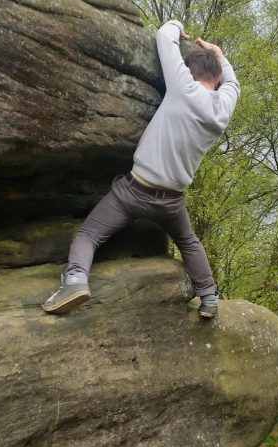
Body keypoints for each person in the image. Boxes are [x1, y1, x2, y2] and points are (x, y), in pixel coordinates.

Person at [42, 19, 240, 319]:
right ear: (216, 77)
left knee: (89, 235)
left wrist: (177, 25)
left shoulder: (183, 87)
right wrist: (220, 54)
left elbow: (164, 36)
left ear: (190, 71)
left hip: (134, 191)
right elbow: (234, 84)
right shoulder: (223, 108)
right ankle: (209, 298)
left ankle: (76, 282)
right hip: (172, 200)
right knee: (188, 242)